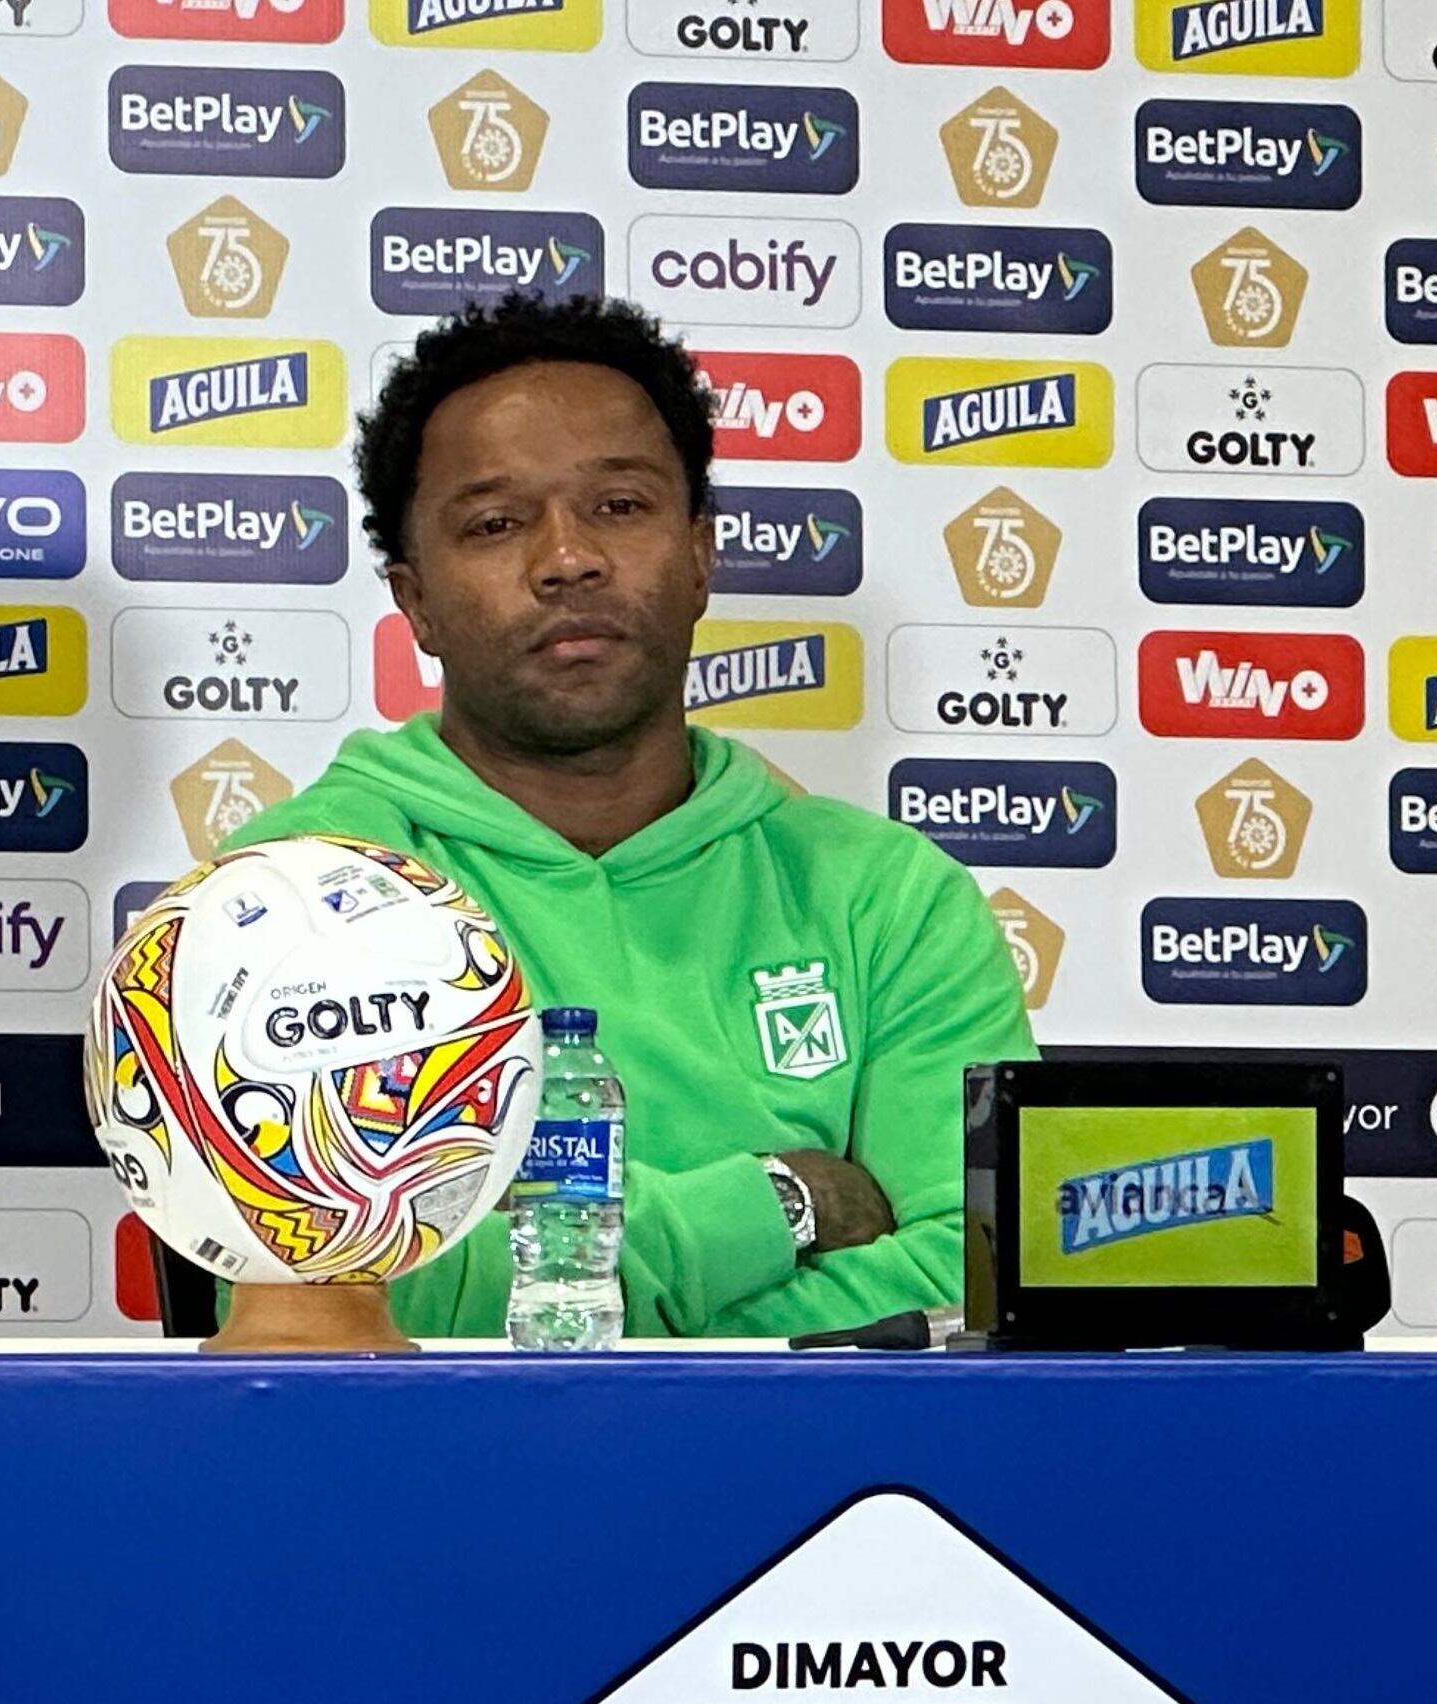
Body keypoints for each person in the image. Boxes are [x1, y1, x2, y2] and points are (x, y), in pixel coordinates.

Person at [222, 292, 1036, 1338]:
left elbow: (970, 1273)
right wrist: (775, 1203)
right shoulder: (289, 897)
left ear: (701, 552)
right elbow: (310, 1294)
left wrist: (575, 1302)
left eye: (619, 505)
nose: (568, 558)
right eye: (495, 522)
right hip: (422, 1481)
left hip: (817, 1484)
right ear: (414, 599)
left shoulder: (886, 897)